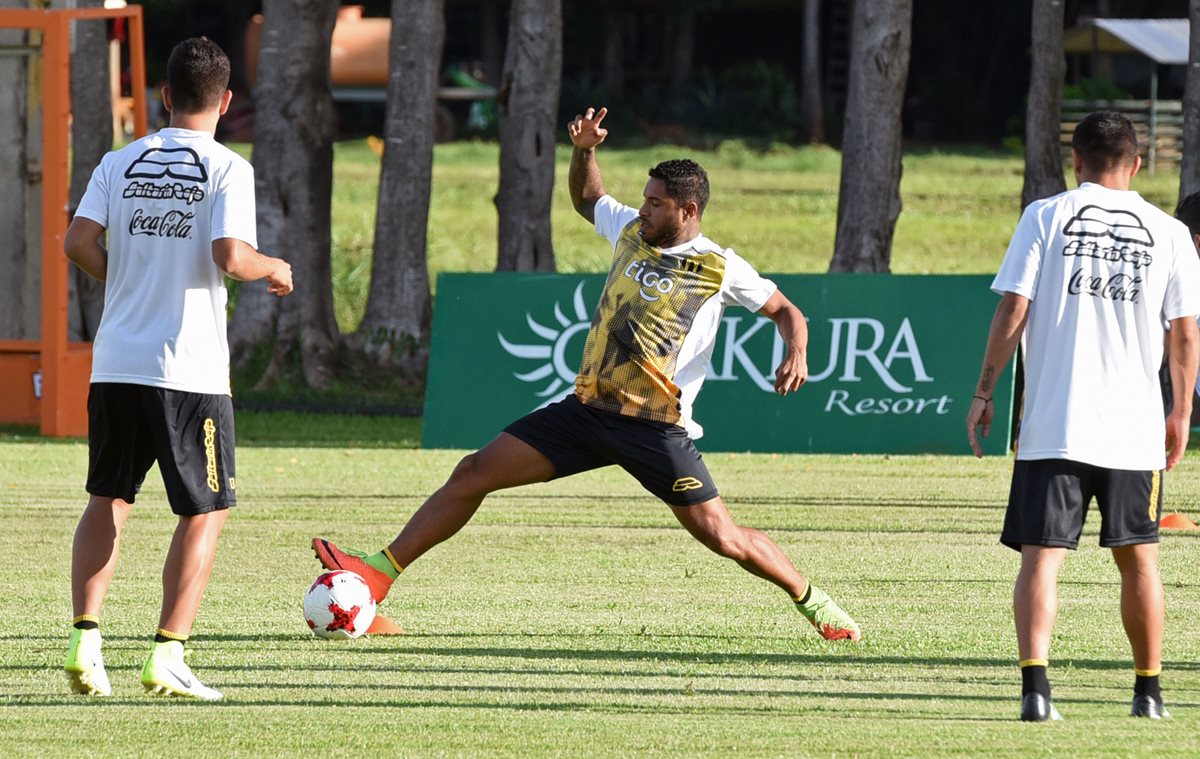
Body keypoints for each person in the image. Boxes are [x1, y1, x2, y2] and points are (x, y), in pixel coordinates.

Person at [312, 105, 861, 643]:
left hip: (654, 427)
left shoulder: (720, 266)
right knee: (474, 471)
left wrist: (797, 350)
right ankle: (380, 571)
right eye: (643, 200)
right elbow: (587, 197)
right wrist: (584, 152)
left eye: (656, 204)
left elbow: (787, 310)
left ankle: (813, 600)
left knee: (722, 536)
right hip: (585, 411)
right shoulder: (631, 231)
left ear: (688, 210)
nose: (642, 210)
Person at [62, 37, 293, 701]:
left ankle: (85, 638)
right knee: (207, 508)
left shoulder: (119, 161)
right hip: (187, 368)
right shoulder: (226, 167)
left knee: (109, 496)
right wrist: (272, 266)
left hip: (116, 361)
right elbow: (229, 253)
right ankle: (168, 651)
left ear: (164, 96)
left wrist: (128, 274)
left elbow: (78, 242)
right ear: (225, 101)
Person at [967, 111, 1200, 721]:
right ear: (1138, 163)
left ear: (1076, 160)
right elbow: (1184, 336)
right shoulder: (1170, 232)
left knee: (1042, 559)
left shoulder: (1045, 215)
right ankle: (1148, 695)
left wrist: (985, 390)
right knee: (1141, 559)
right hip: (1135, 431)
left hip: (1054, 425)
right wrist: (1179, 412)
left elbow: (1013, 308)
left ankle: (1036, 694)